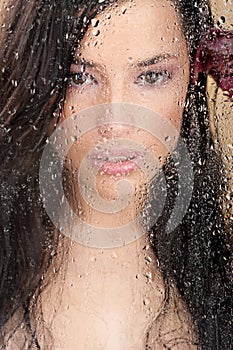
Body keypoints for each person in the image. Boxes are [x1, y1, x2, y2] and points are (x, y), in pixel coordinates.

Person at [0, 0, 232, 349]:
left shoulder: (217, 285)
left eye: (151, 76)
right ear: (40, 79)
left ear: (192, 71)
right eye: (80, 77)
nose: (115, 123)